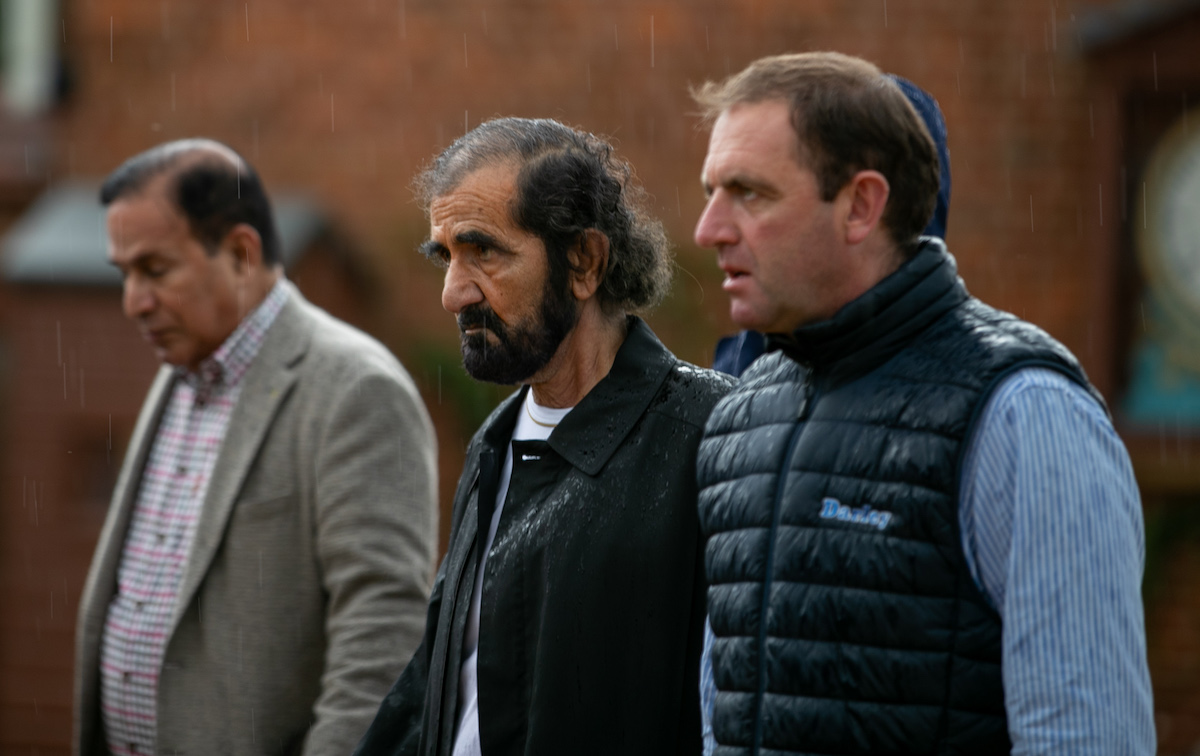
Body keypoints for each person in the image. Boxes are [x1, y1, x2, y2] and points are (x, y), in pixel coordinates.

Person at [692, 52, 1154, 755]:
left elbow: (1086, 738)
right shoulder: (738, 420)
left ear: (861, 205)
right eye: (711, 191)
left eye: (748, 193)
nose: (710, 229)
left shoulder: (1024, 413)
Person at [354, 117, 733, 756]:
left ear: (584, 261)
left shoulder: (712, 436)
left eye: (484, 251)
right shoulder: (491, 446)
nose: (453, 292)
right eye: (445, 256)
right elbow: (445, 691)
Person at [73, 139, 438, 756]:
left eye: (154, 270)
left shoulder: (357, 389)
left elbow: (383, 635)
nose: (133, 302)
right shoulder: (181, 371)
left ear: (242, 253)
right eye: (125, 274)